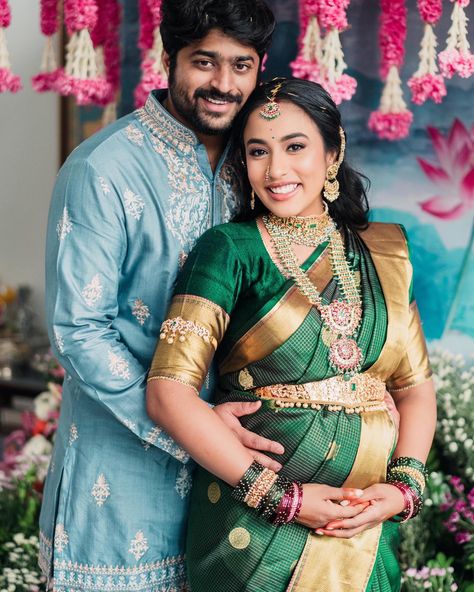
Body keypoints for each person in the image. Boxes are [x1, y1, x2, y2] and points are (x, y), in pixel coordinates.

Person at [146, 78, 437, 592]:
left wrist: (404, 488)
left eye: (295, 147)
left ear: (333, 152)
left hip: (365, 528)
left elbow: (413, 390)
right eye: (258, 151)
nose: (276, 170)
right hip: (254, 530)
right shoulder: (229, 250)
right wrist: (282, 497)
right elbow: (168, 394)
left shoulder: (387, 253)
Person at [39, 2, 279, 590]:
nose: (224, 84)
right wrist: (193, 424)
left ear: (261, 67)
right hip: (119, 488)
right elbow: (78, 332)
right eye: (205, 62)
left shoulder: (260, 170)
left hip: (232, 491)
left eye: (241, 66)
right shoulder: (103, 169)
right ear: (168, 59)